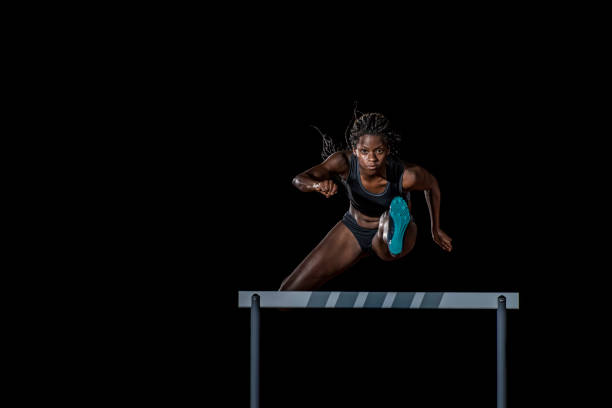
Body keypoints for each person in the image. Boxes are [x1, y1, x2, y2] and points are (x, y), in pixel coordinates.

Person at [279, 112, 452, 291]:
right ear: (354, 150)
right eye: (364, 151)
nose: (372, 159)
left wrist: (435, 229)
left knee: (384, 246)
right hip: (354, 228)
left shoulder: (407, 175)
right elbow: (298, 180)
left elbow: (431, 185)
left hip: (395, 233)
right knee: (288, 291)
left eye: (379, 151)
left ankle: (392, 228)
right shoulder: (344, 162)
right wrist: (316, 185)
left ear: (388, 150)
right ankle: (388, 232)